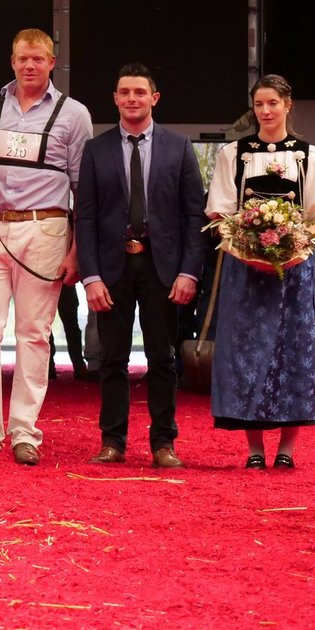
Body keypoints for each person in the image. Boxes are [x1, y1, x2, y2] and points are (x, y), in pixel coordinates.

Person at [0, 28, 93, 466]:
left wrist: (76, 250)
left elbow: (83, 188)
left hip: (45, 228)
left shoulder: (74, 114)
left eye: (38, 58)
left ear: (52, 63)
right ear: (12, 62)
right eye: (22, 58)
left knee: (33, 333)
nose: (30, 65)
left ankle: (25, 433)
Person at [75, 63, 206, 469]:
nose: (132, 98)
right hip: (111, 268)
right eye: (125, 92)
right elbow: (85, 217)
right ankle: (112, 442)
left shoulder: (179, 148)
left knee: (162, 359)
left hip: (163, 268)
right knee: (111, 359)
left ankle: (164, 444)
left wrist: (189, 272)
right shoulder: (96, 150)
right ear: (115, 99)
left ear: (154, 98)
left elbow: (194, 215)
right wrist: (90, 277)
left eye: (140, 92)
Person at [205, 74, 315, 470]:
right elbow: (219, 214)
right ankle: (254, 449)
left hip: (295, 270)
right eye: (259, 104)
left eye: (273, 103)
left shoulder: (310, 156)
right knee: (247, 352)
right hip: (245, 270)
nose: (265, 111)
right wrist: (247, 251)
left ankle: (287, 449)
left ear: (287, 105)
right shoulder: (234, 154)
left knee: (294, 351)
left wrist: (295, 245)